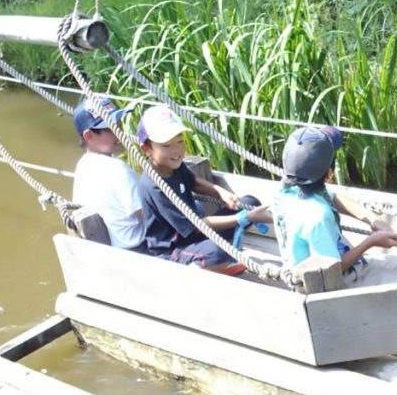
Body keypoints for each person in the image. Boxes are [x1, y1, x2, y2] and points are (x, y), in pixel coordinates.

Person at [271, 124, 397, 287]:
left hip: (340, 264)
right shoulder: (318, 216)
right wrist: (371, 242)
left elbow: (335, 198)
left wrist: (373, 220)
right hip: (333, 283)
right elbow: (333, 269)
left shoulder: (285, 191)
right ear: (329, 173)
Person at [136, 104, 269, 274]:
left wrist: (219, 191)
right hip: (174, 248)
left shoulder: (173, 165)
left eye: (180, 141)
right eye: (166, 146)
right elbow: (195, 226)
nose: (176, 150)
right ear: (147, 149)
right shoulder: (154, 185)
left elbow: (193, 182)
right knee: (219, 249)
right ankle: (209, 265)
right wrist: (242, 218)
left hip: (197, 234)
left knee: (250, 202)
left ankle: (219, 258)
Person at [71, 97, 147, 251]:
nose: (119, 131)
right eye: (111, 128)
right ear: (89, 136)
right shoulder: (119, 169)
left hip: (112, 250)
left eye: (118, 124)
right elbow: (147, 214)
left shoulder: (83, 166)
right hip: (140, 249)